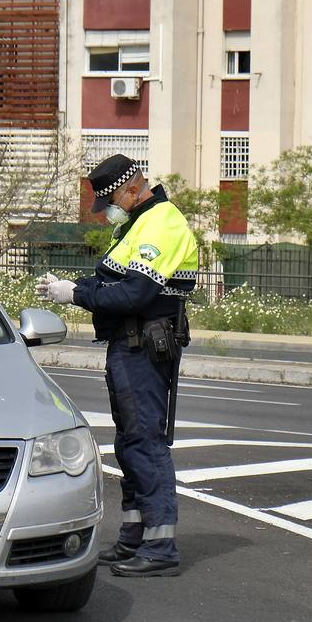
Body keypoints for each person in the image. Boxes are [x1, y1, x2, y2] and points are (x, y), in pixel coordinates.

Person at [37, 154, 196, 578]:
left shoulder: (162, 223)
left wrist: (76, 296)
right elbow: (110, 281)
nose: (107, 209)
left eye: (109, 199)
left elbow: (134, 296)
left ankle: (161, 546)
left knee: (145, 441)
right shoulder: (136, 224)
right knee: (129, 442)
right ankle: (134, 536)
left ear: (130, 189)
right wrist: (72, 286)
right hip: (128, 346)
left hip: (144, 347)